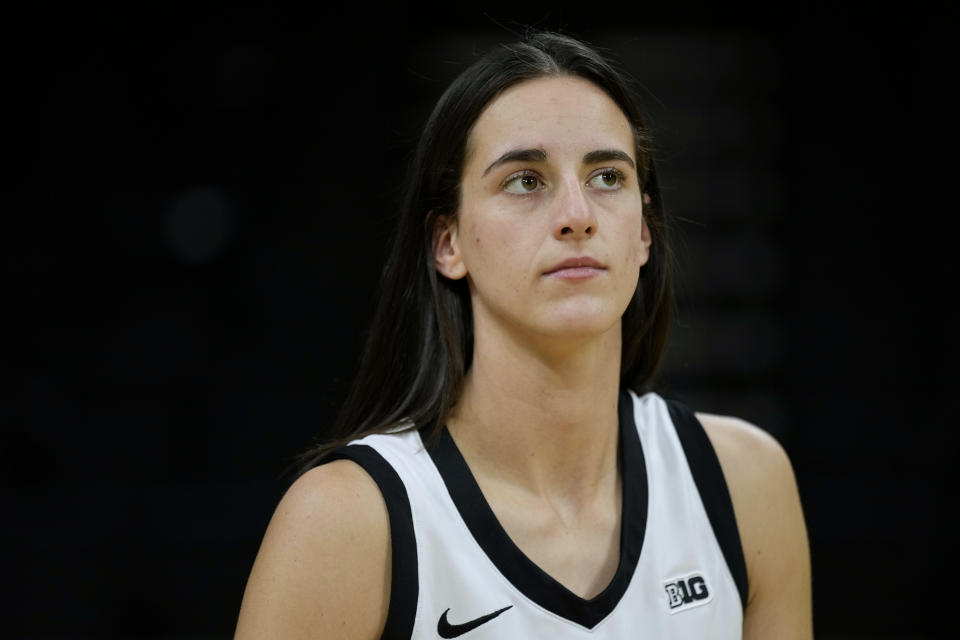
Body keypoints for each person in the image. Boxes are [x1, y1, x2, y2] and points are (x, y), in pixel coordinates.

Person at [235, 31, 812, 639]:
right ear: (447, 243)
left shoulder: (744, 483)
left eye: (607, 177)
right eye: (525, 181)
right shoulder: (347, 521)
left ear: (644, 233)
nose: (577, 214)